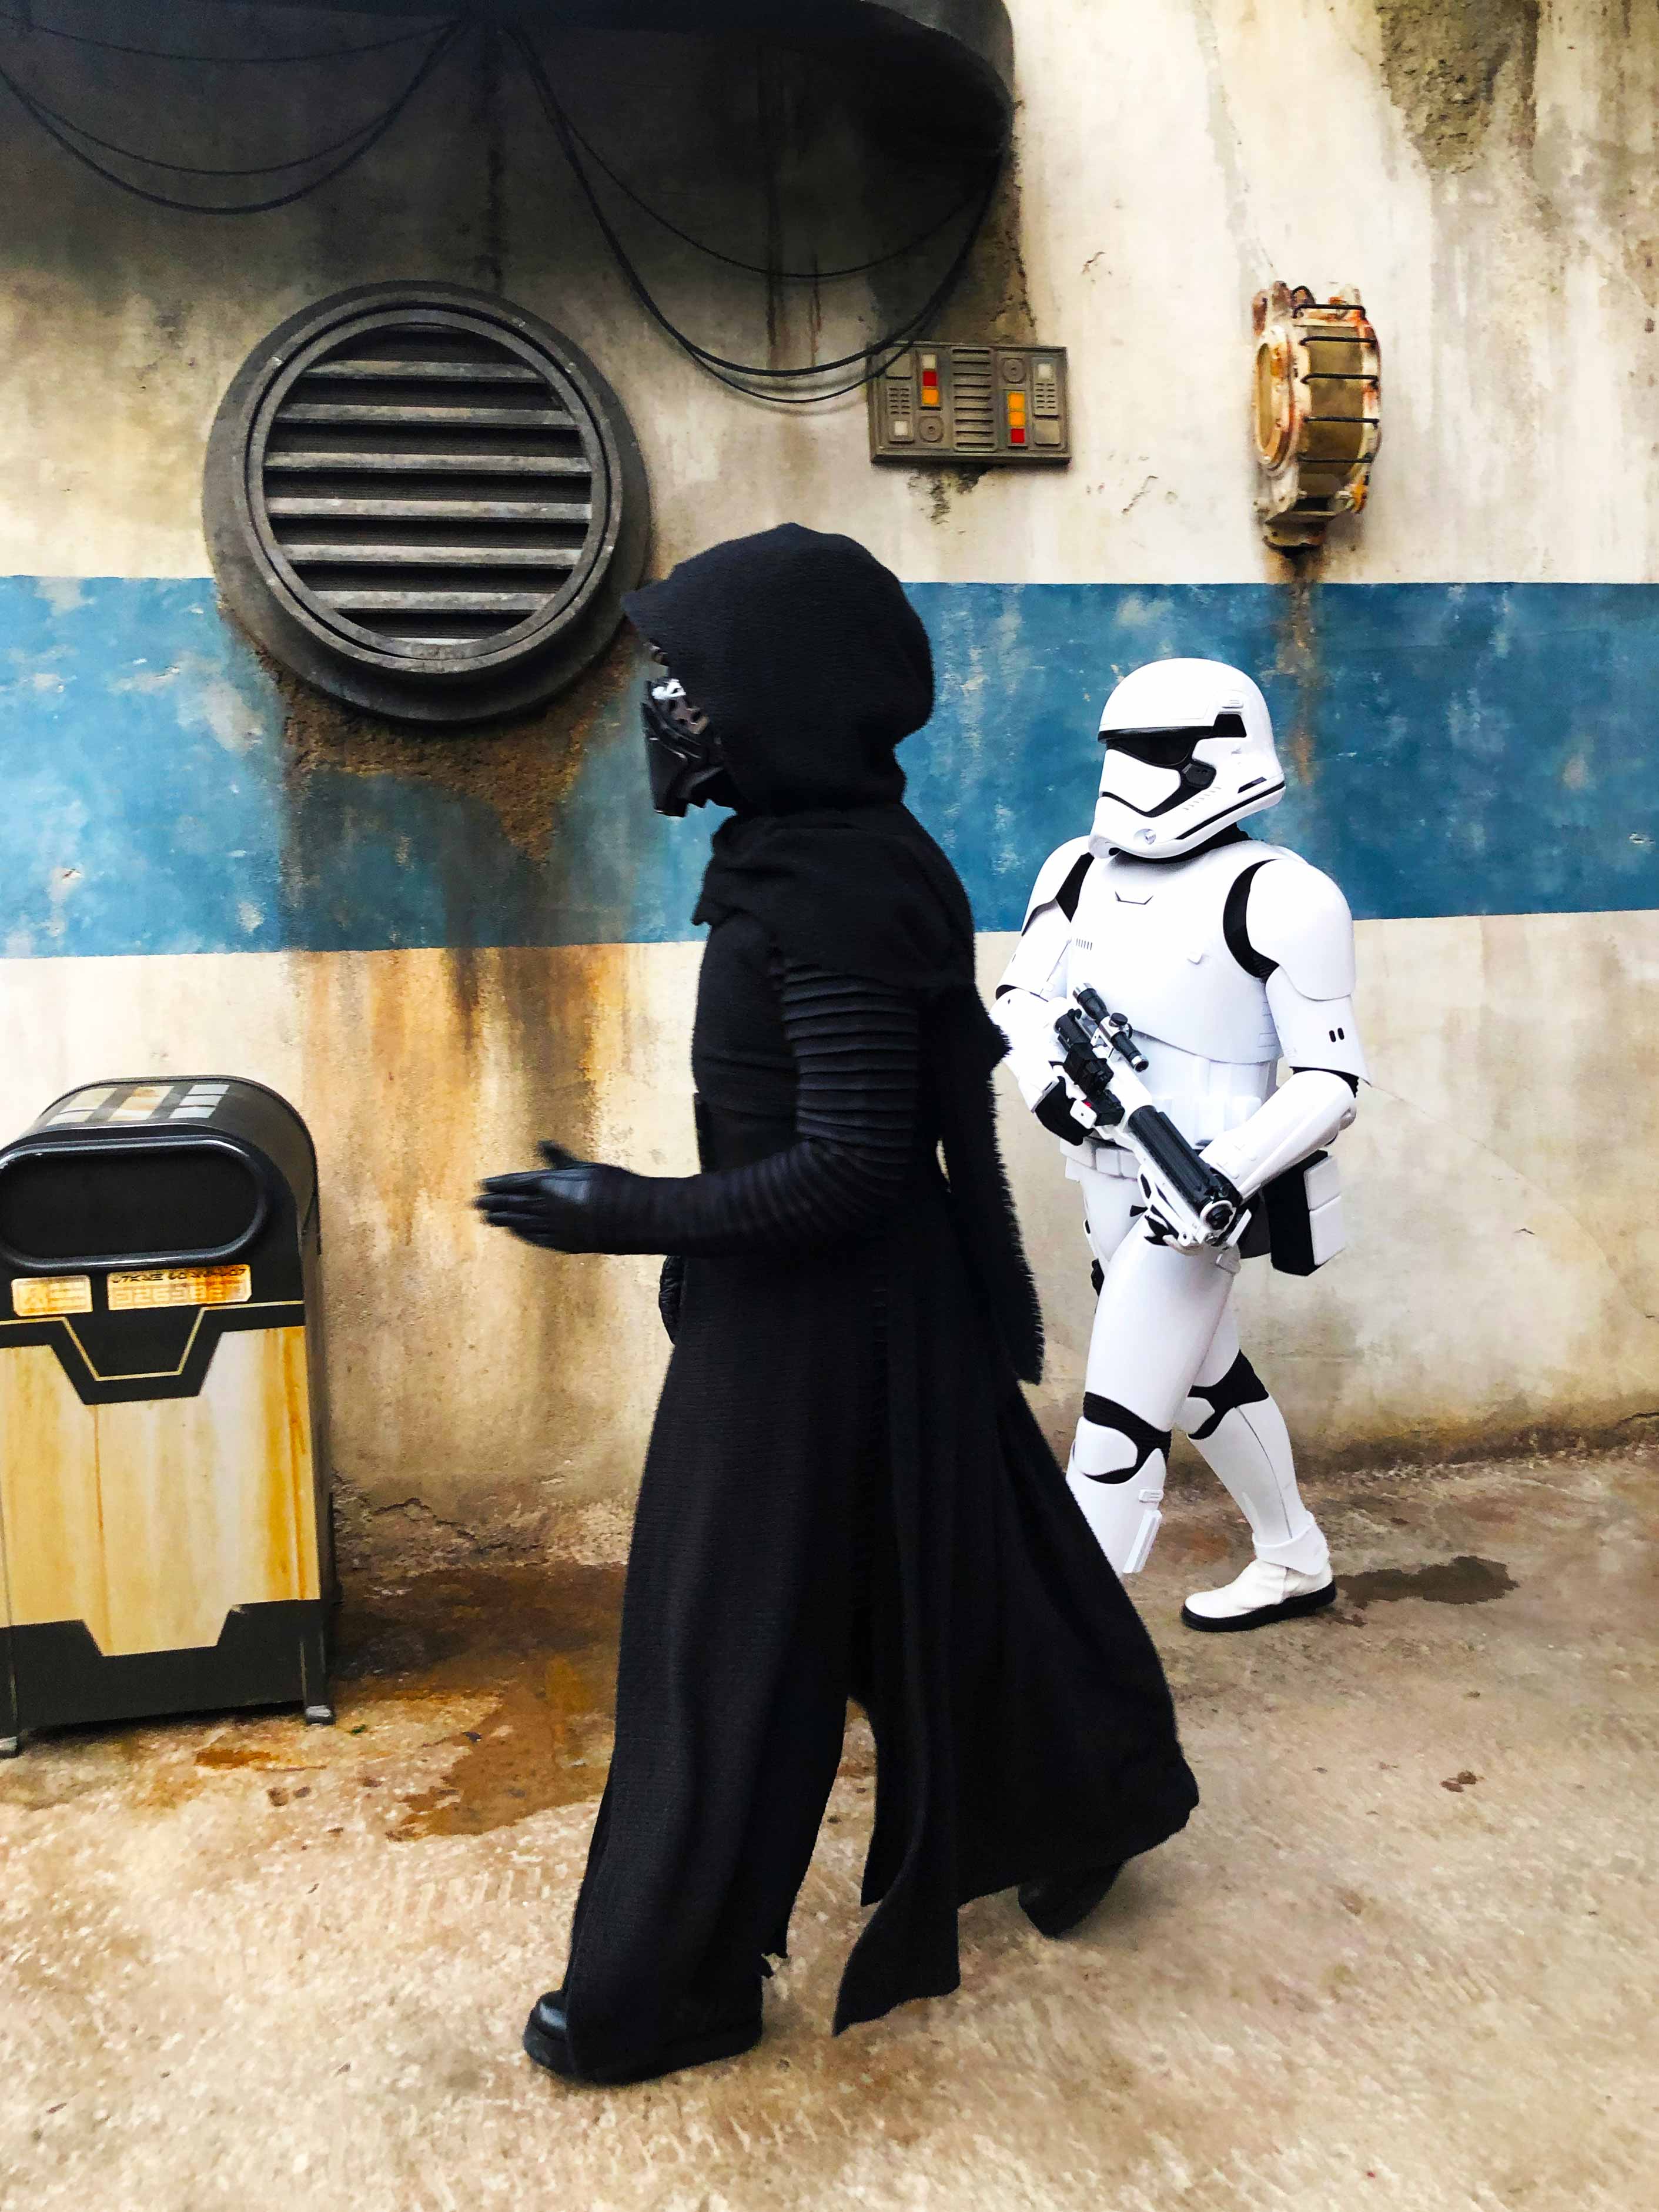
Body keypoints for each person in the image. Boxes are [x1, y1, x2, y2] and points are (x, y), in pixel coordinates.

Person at [477, 526, 1198, 2087]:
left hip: (817, 1325)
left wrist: (628, 1212)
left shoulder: (828, 890)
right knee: (950, 1574)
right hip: (849, 1312)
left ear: (781, 696)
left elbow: (854, 1167)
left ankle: (665, 1985)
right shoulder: (829, 856)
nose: (663, 705)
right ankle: (1090, 1796)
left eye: (688, 676)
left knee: (719, 1643)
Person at [994, 657, 1367, 1632]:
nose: (1130, 771)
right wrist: (1050, 1089)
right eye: (1118, 748)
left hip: (1193, 1206)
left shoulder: (1283, 894)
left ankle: (1061, 1655)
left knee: (1118, 1425)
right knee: (1205, 1384)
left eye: (1156, 750)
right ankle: (1294, 1557)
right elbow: (1020, 998)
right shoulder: (1074, 869)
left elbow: (1330, 1083)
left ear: (1222, 754)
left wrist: (1223, 1175)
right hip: (1102, 1176)